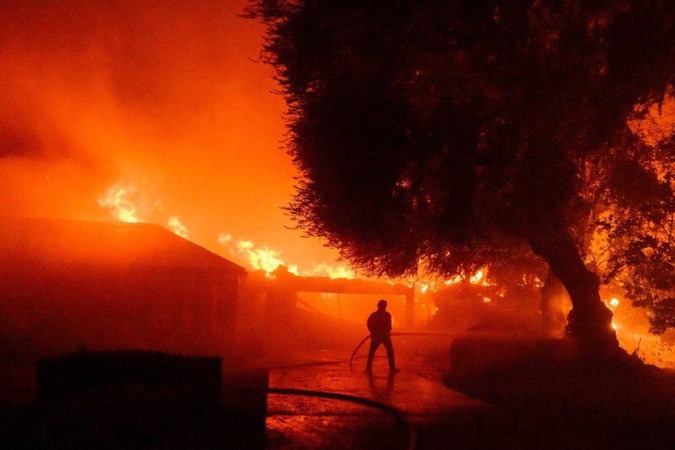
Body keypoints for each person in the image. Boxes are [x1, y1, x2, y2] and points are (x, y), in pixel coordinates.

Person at [366, 299, 396, 373]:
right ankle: (392, 368)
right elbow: (389, 325)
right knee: (390, 352)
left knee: (372, 352)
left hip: (378, 336)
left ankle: (368, 367)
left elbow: (369, 323)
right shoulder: (387, 315)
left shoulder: (374, 315)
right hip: (383, 336)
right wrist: (387, 331)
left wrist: (372, 332)